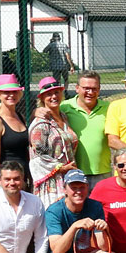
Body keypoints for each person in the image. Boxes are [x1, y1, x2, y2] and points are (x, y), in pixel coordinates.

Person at [28, 77, 79, 206]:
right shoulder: (41, 124)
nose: (54, 96)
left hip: (69, 176)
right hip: (52, 183)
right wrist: (60, 167)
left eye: (57, 92)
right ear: (42, 98)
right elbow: (38, 155)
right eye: (49, 94)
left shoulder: (64, 116)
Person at [60, 71, 111, 188]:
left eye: (94, 89)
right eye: (86, 88)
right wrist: (36, 111)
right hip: (74, 172)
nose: (90, 92)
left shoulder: (109, 108)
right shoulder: (64, 107)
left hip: (102, 172)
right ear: (77, 88)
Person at [0, 74, 29, 191]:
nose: (11, 95)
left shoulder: (21, 117)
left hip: (23, 179)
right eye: (6, 92)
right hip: (7, 183)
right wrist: (2, 185)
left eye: (14, 92)